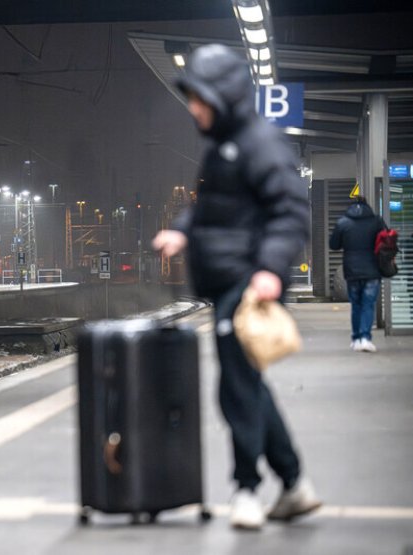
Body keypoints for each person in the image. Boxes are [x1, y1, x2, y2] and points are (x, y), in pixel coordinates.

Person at [152, 44, 322, 530]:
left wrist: (270, 268)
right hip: (230, 281)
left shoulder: (259, 145)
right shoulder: (224, 147)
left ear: (222, 95)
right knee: (246, 387)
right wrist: (184, 228)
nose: (193, 108)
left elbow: (290, 213)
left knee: (237, 392)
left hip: (248, 285)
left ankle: (248, 489)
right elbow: (213, 209)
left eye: (200, 98)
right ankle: (293, 485)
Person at [329, 195, 386, 352]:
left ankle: (355, 339)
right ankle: (365, 338)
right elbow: (386, 239)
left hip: (352, 270)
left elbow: (333, 245)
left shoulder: (343, 222)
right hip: (372, 269)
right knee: (368, 304)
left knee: (356, 305)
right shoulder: (376, 221)